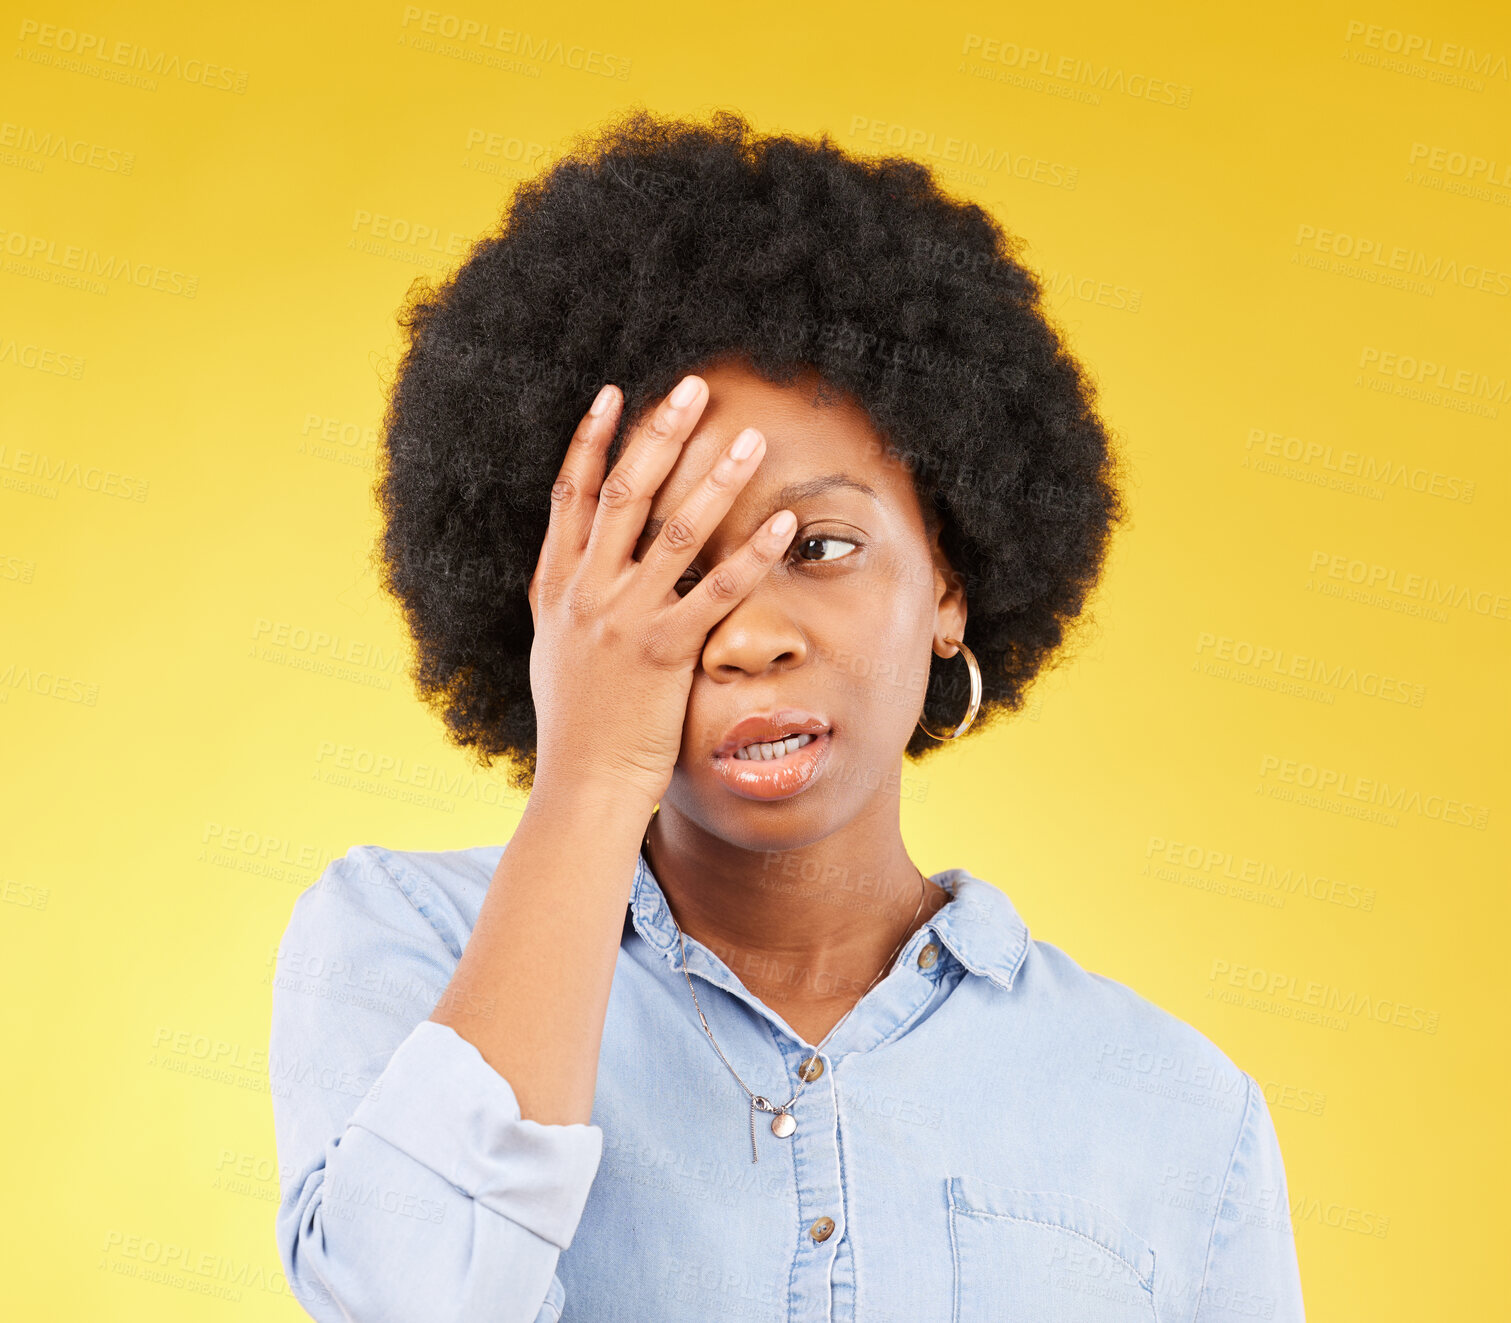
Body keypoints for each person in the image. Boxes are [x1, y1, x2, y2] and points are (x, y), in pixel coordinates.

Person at [269, 107, 1305, 1322]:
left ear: (949, 586)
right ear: (559, 597)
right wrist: (591, 774)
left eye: (818, 545)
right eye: (663, 559)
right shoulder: (407, 942)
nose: (750, 632)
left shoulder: (1176, 1107)